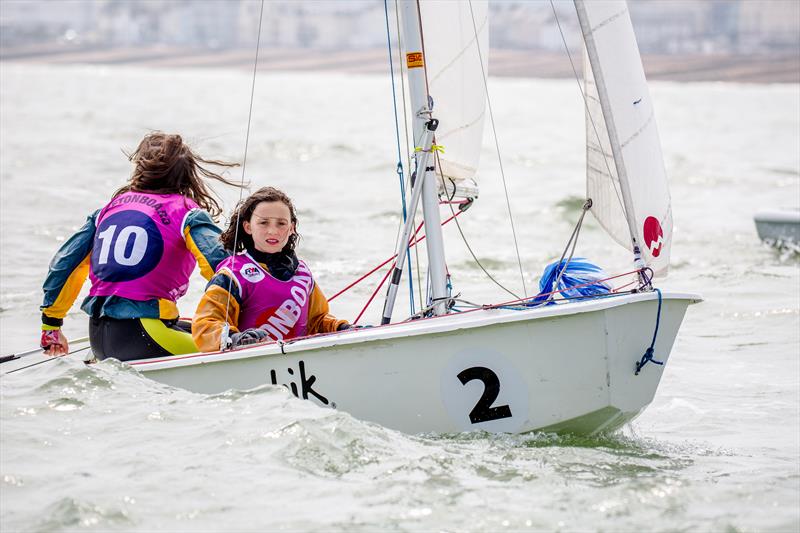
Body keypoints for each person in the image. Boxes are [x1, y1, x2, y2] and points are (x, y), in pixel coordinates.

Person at [40, 132, 242, 361]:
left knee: (193, 325)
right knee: (234, 343)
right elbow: (224, 266)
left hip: (98, 337)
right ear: (188, 176)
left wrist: (51, 325)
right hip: (146, 335)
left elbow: (64, 265)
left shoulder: (107, 210)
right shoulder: (186, 212)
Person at [192, 186, 349, 351]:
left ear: (291, 228)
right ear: (248, 227)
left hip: (298, 363)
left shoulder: (302, 274)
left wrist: (343, 329)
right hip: (248, 362)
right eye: (263, 222)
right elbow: (205, 325)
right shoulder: (231, 275)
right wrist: (236, 338)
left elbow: (318, 321)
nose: (273, 231)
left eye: (281, 223)